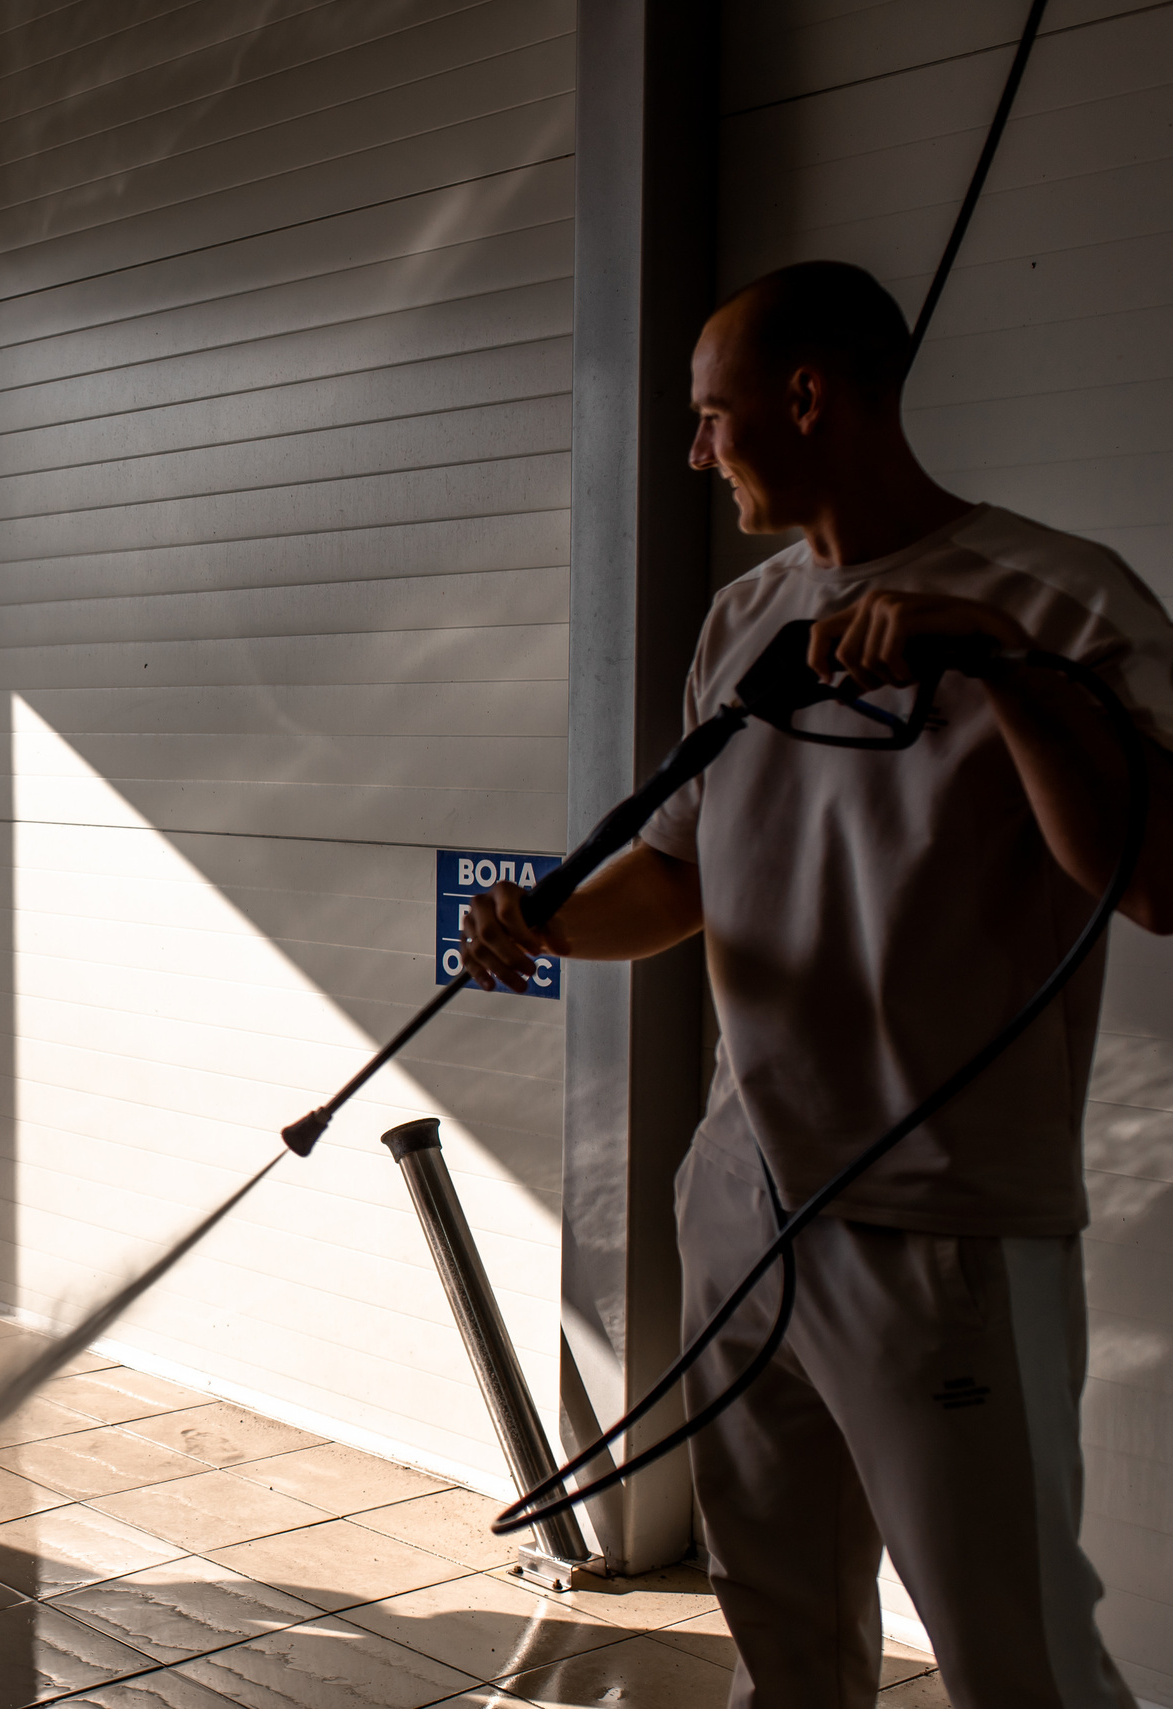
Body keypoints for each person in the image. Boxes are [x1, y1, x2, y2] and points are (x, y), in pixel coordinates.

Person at [459, 261, 1173, 1709]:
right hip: (741, 1199)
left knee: (1013, 1651)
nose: (694, 452)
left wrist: (1000, 667)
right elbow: (682, 881)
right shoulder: (744, 624)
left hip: (944, 1224)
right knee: (780, 1625)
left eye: (710, 417)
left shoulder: (1060, 597)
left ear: (806, 397)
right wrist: (543, 922)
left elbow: (1155, 882)